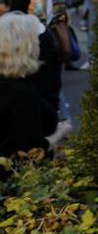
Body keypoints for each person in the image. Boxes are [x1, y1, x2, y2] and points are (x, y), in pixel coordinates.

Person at [0, 10, 57, 161]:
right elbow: (29, 152)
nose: (39, 45)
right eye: (35, 41)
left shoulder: (19, 88)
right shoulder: (22, 95)